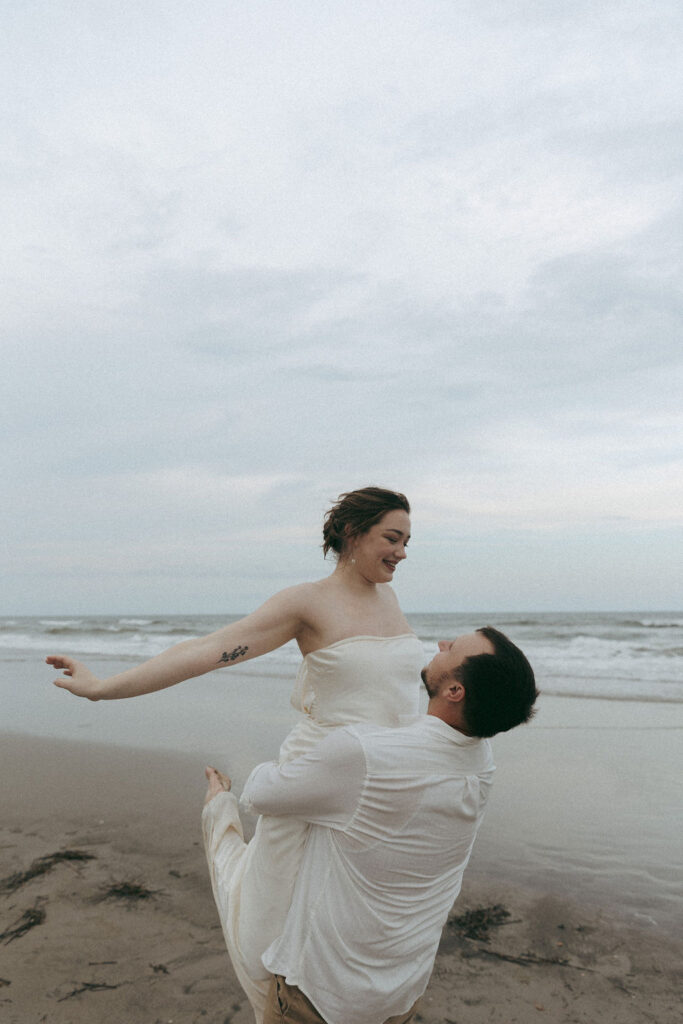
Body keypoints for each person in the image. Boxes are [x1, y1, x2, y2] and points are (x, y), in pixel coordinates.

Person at [47, 486, 425, 1021]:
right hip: (315, 779)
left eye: (408, 541)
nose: (403, 552)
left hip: (378, 786)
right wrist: (105, 688)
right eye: (392, 538)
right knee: (275, 922)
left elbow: (395, 694)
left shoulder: (388, 597)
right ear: (351, 533)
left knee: (359, 926)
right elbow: (206, 650)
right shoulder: (306, 603)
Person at [203, 627, 538, 1024]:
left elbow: (261, 793)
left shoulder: (367, 755)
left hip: (322, 999)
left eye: (455, 648)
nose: (442, 644)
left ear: (455, 692)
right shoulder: (482, 763)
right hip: (401, 992)